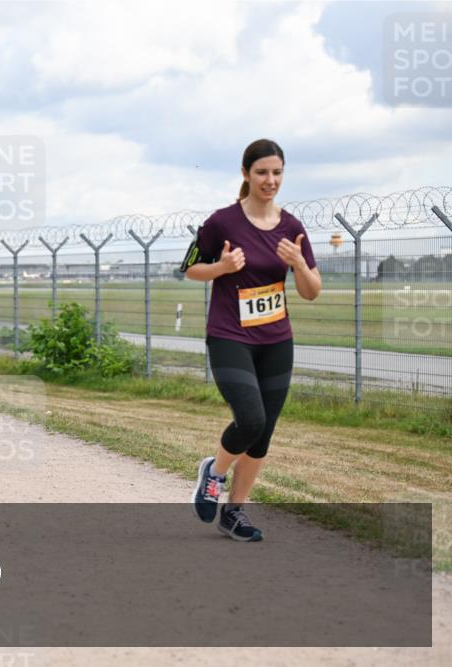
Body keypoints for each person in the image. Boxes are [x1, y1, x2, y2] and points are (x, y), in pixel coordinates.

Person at [183, 139, 320, 542]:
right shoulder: (223, 222)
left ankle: (235, 513)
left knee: (263, 432)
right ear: (245, 174)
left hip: (276, 339)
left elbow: (312, 291)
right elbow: (190, 269)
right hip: (229, 335)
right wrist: (222, 267)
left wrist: (297, 265)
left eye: (277, 172)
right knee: (251, 418)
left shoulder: (292, 228)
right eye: (262, 172)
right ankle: (214, 473)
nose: (270, 180)